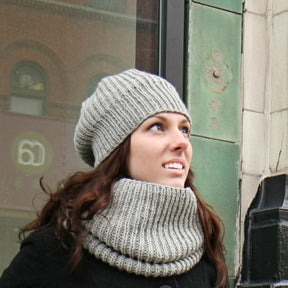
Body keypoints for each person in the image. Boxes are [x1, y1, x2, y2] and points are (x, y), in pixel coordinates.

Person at [0, 69, 229, 288]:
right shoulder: (55, 251)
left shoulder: (207, 252)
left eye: (184, 129)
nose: (182, 142)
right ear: (116, 147)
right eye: (157, 126)